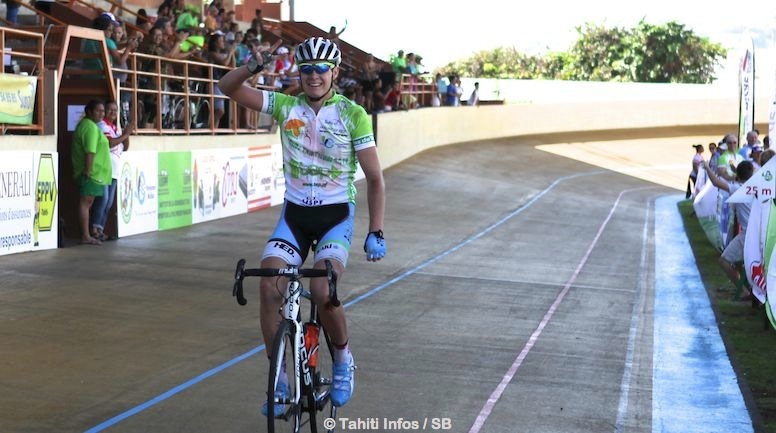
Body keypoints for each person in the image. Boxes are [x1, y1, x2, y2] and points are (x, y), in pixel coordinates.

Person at [218, 36, 386, 413]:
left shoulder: (352, 114)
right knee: (268, 287)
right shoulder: (285, 105)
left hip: (334, 216)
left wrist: (376, 230)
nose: (313, 76)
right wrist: (251, 67)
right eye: (306, 69)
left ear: (334, 73)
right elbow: (227, 88)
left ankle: (342, 359)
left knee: (323, 290)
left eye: (320, 69)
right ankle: (279, 378)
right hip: (294, 215)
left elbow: (376, 178)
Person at [701, 159, 755, 300]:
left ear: (738, 175)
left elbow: (716, 182)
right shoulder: (758, 188)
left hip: (748, 235)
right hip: (762, 234)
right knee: (742, 262)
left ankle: (745, 291)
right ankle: (753, 290)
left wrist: (707, 167)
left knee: (723, 261)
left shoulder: (738, 189)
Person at [90, 100, 133, 241]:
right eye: (110, 109)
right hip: (104, 169)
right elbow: (110, 143)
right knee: (103, 200)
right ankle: (94, 229)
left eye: (115, 110)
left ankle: (100, 229)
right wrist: (125, 135)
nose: (113, 112)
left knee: (108, 203)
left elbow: (124, 147)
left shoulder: (115, 128)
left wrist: (126, 133)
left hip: (114, 171)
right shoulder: (102, 125)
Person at [71, 100, 111, 245]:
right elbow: (90, 151)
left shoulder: (89, 125)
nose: (101, 114)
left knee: (88, 203)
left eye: (103, 111)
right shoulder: (90, 127)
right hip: (90, 173)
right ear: (89, 111)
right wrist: (88, 171)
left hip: (95, 174)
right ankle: (86, 236)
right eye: (98, 110)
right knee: (85, 203)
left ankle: (87, 235)